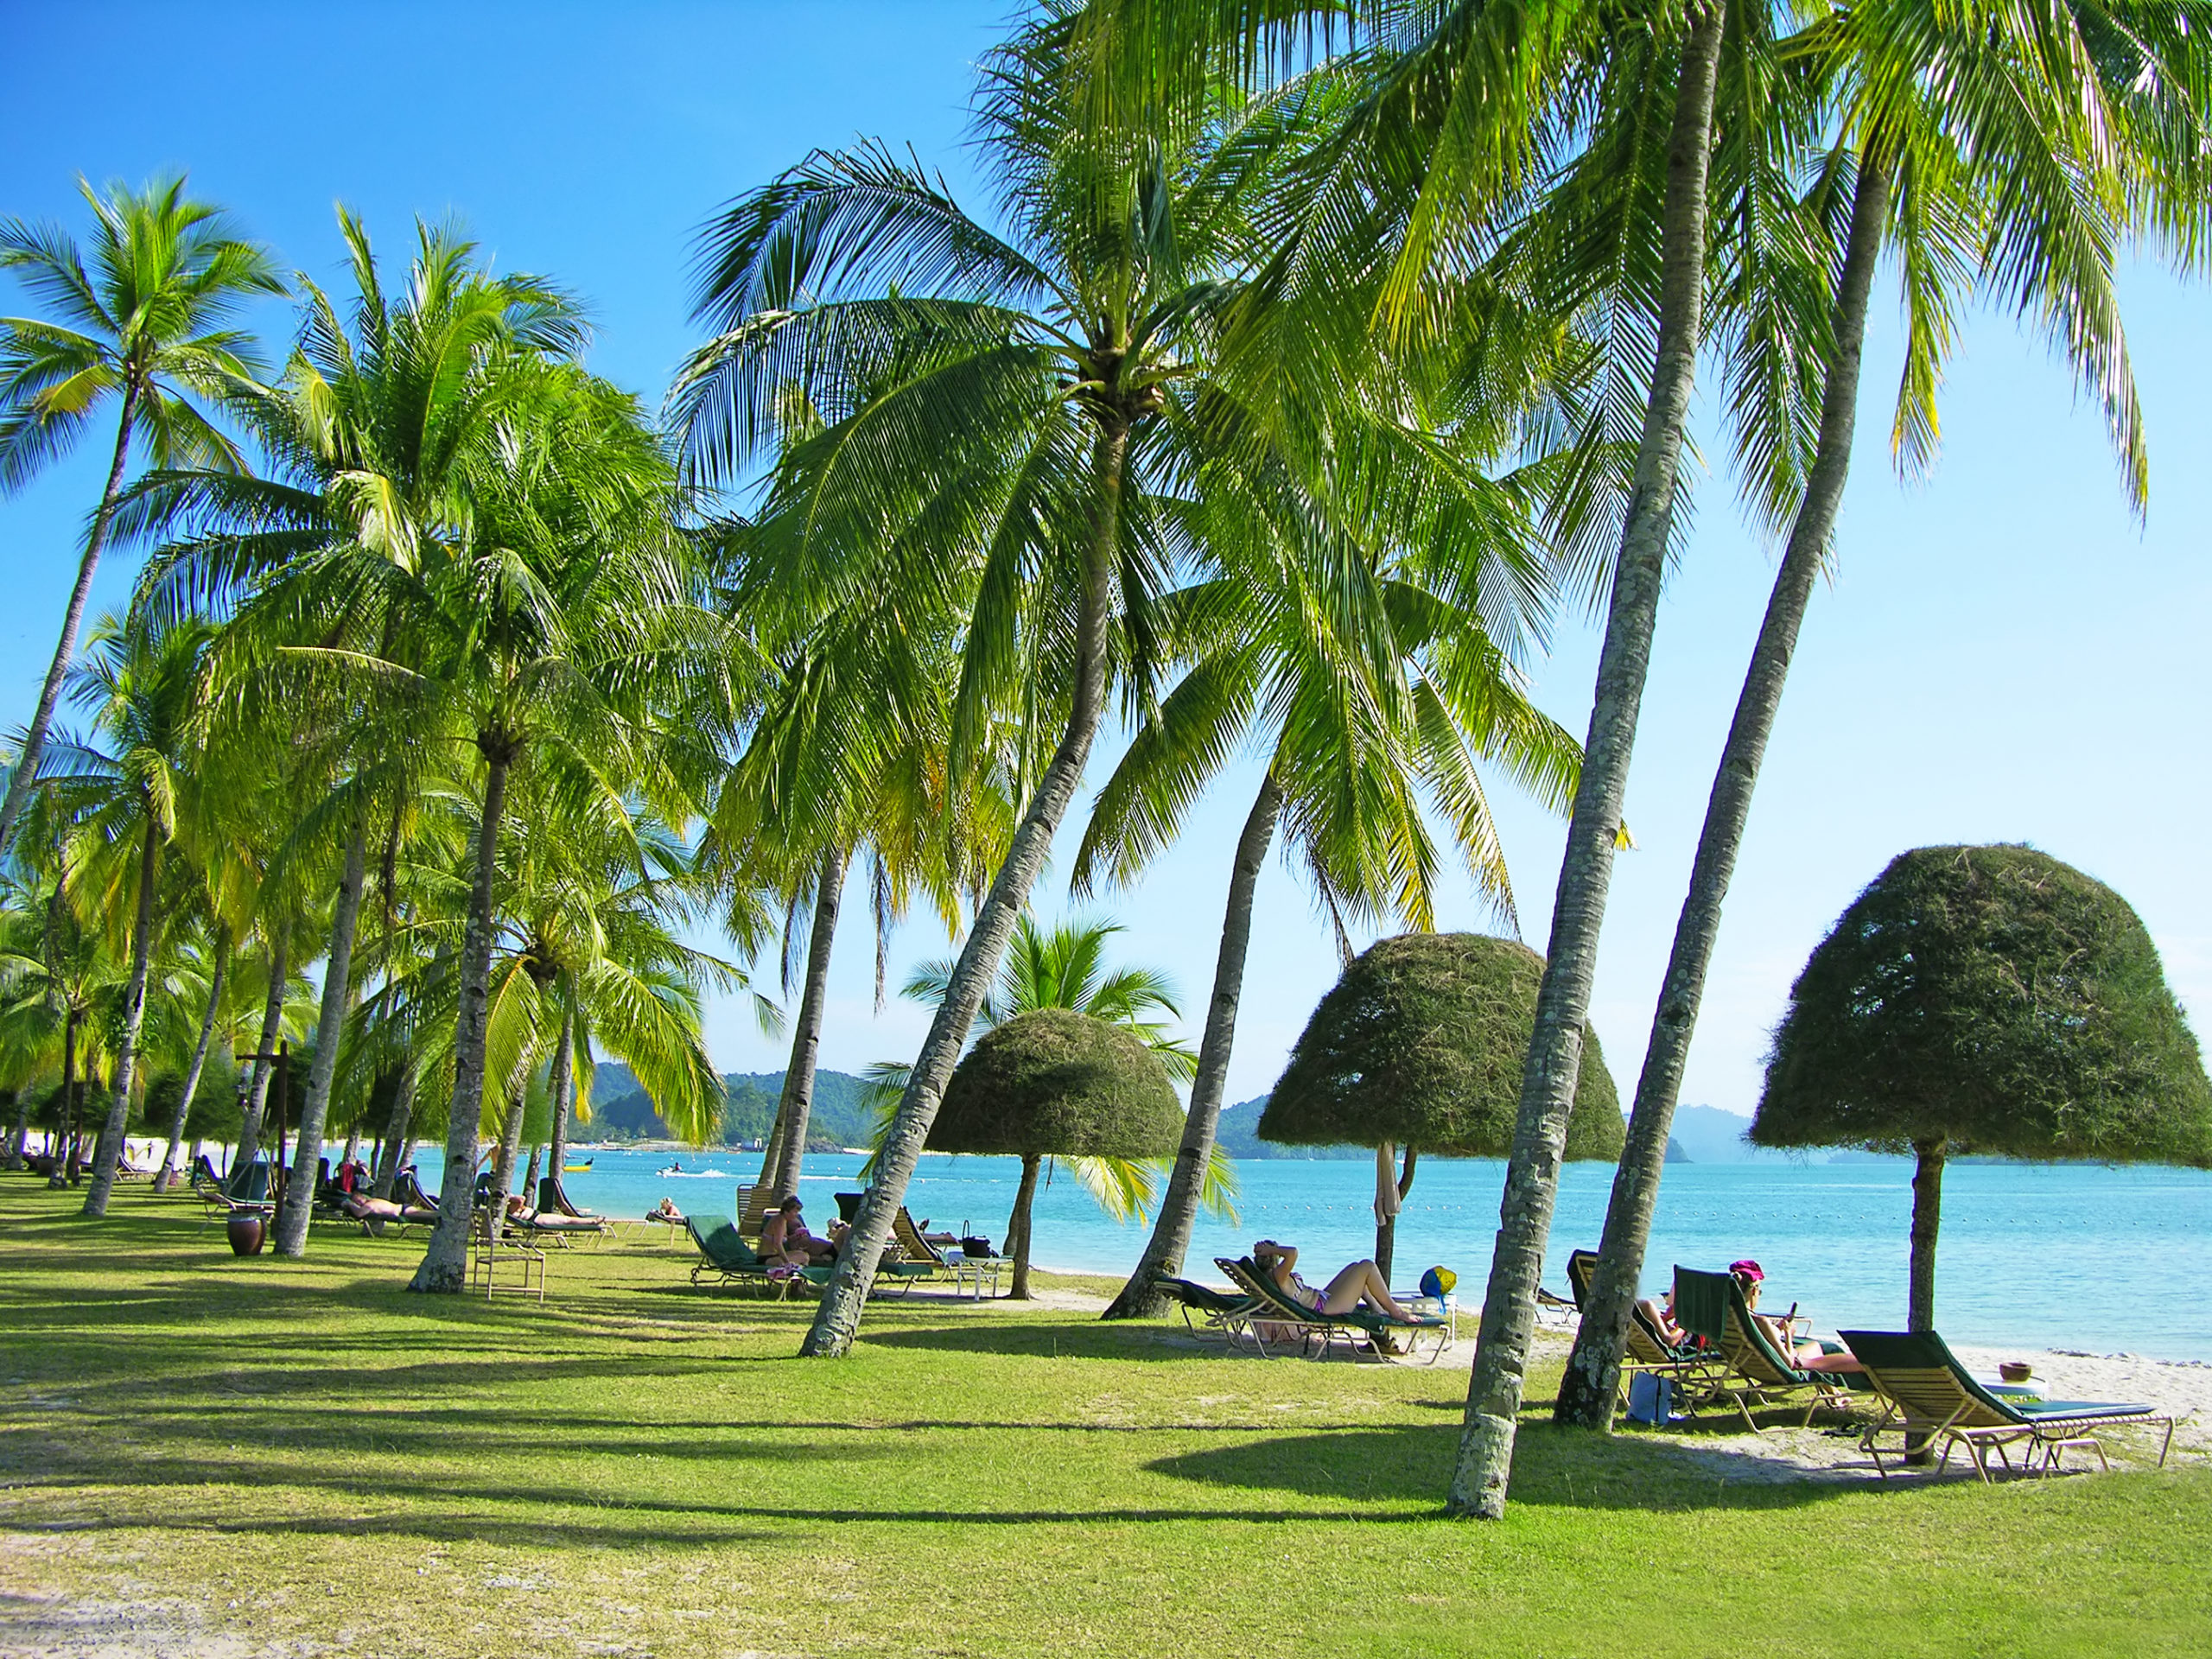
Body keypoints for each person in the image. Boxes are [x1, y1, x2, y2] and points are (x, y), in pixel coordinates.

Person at [1729, 1259, 1860, 1375]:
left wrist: (1778, 1329)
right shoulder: (1761, 1321)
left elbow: (1763, 1337)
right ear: (1754, 1291)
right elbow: (1788, 1363)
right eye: (1760, 1292)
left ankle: (1833, 1393)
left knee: (1816, 1346)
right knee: (1859, 1361)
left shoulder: (1731, 1316)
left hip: (1752, 1364)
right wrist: (1787, 1334)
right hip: (1795, 1364)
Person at [1252, 1239, 1418, 1322]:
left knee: (1355, 1268)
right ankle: (1395, 1311)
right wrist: (1272, 1249)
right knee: (1367, 1266)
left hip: (1323, 1299)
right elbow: (1293, 1253)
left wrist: (1270, 1250)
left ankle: (1377, 1308)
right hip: (1326, 1308)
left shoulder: (1271, 1277)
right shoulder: (1278, 1275)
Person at [760, 1195, 845, 1266]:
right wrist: (787, 1263)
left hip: (774, 1256)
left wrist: (795, 1236)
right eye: (795, 1212)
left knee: (804, 1255)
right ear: (787, 1211)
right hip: (768, 1258)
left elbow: (785, 1238)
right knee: (804, 1257)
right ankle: (798, 1276)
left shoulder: (782, 1220)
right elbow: (778, 1244)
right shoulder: (780, 1221)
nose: (796, 1215)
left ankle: (799, 1278)